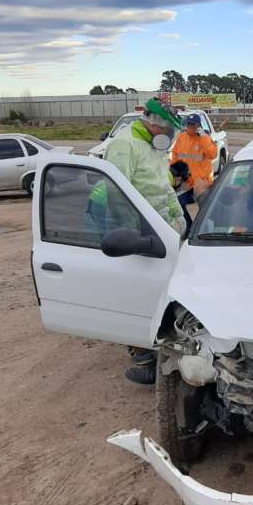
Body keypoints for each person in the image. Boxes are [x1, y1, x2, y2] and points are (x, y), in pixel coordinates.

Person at [86, 97, 184, 385]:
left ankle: (156, 342)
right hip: (124, 222)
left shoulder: (155, 146)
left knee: (159, 285)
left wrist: (179, 219)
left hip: (153, 222)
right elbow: (118, 195)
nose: (172, 133)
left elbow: (162, 186)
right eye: (169, 127)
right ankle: (142, 356)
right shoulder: (125, 143)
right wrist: (137, 238)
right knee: (135, 285)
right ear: (153, 122)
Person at [171, 114, 217, 237]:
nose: (191, 127)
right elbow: (175, 155)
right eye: (189, 124)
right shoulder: (181, 137)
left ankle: (209, 233)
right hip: (187, 182)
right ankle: (189, 230)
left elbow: (213, 154)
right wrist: (176, 172)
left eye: (194, 125)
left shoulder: (204, 138)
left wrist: (204, 138)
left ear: (198, 125)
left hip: (202, 183)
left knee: (206, 210)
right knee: (178, 204)